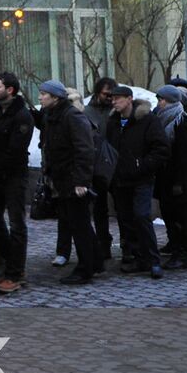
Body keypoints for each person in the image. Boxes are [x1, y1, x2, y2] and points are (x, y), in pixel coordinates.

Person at [37, 80, 100, 285]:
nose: (40, 98)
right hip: (62, 179)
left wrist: (81, 181)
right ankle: (95, 262)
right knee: (77, 222)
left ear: (55, 97)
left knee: (79, 225)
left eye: (43, 94)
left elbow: (85, 150)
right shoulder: (53, 116)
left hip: (74, 180)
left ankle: (85, 269)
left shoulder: (72, 116)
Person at [106, 86, 169, 279]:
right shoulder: (113, 121)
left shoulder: (147, 120)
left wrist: (142, 165)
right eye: (112, 98)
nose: (114, 102)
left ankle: (153, 260)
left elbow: (161, 149)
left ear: (129, 99)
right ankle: (137, 257)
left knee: (142, 216)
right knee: (126, 220)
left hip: (142, 178)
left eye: (118, 98)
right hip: (120, 180)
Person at [0, 72, 35, 294]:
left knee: (16, 224)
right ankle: (8, 263)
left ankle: (16, 273)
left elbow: (15, 151)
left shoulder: (22, 116)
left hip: (13, 177)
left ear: (10, 90)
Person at [154, 85, 187, 270]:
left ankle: (184, 252)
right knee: (168, 214)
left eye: (162, 99)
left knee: (180, 216)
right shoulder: (162, 119)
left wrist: (180, 182)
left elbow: (183, 155)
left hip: (177, 179)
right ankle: (175, 246)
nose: (159, 103)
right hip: (165, 176)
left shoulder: (181, 121)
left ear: (171, 100)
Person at [80, 77, 117, 264]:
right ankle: (103, 244)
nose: (110, 98)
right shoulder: (87, 112)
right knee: (99, 209)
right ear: (97, 93)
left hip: (116, 164)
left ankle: (128, 245)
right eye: (106, 94)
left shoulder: (118, 111)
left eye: (112, 95)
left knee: (122, 208)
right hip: (97, 165)